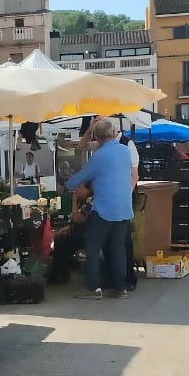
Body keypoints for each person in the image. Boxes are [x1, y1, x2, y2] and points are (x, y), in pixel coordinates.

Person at [65, 118, 133, 300]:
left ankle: (93, 289)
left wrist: (68, 184)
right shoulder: (125, 151)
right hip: (124, 207)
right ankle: (120, 288)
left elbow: (82, 176)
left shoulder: (100, 156)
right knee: (118, 248)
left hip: (104, 209)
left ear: (98, 137)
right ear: (113, 133)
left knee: (93, 247)